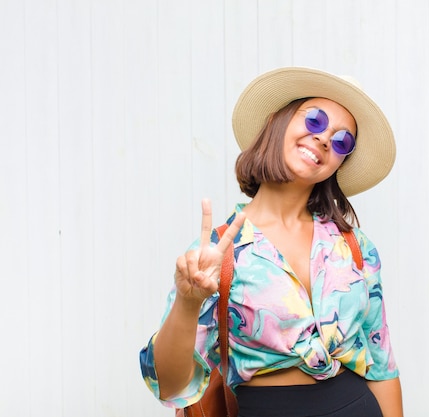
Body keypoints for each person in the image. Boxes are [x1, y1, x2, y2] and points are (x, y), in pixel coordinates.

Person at [140, 67, 403, 417]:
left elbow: (382, 366)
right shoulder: (217, 255)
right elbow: (172, 387)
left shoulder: (355, 246)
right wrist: (189, 304)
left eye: (342, 141)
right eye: (315, 120)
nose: (325, 138)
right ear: (275, 122)